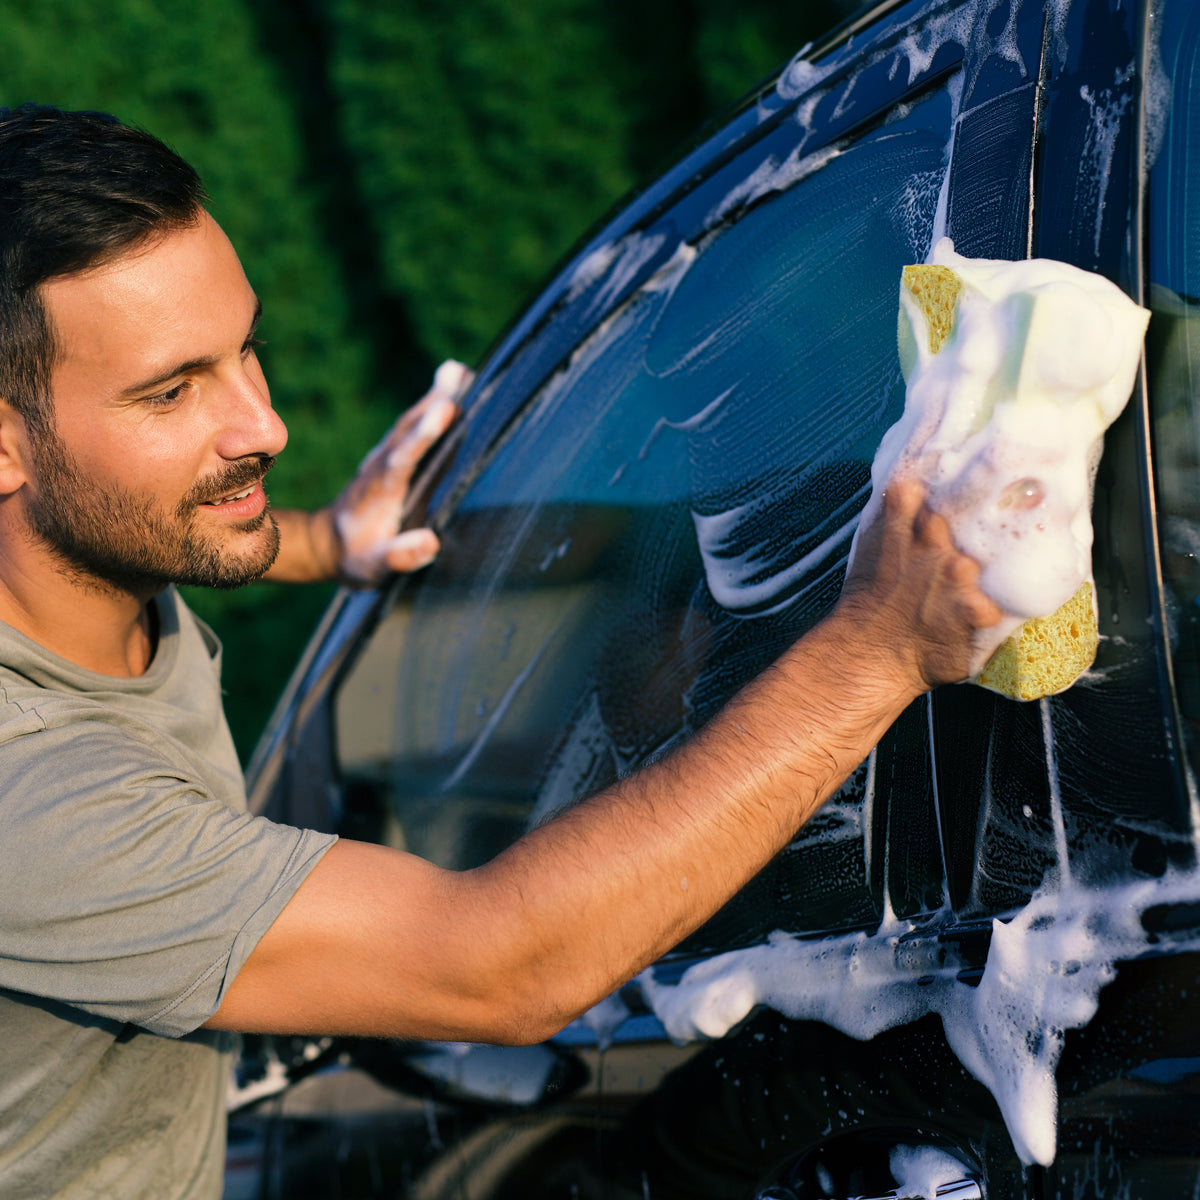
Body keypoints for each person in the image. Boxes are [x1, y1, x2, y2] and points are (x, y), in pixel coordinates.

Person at [0, 104, 1002, 1199]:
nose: (264, 427)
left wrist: (325, 541)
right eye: (173, 390)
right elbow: (497, 970)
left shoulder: (75, 565)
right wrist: (877, 650)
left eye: (248, 351)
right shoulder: (38, 800)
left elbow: (119, 516)